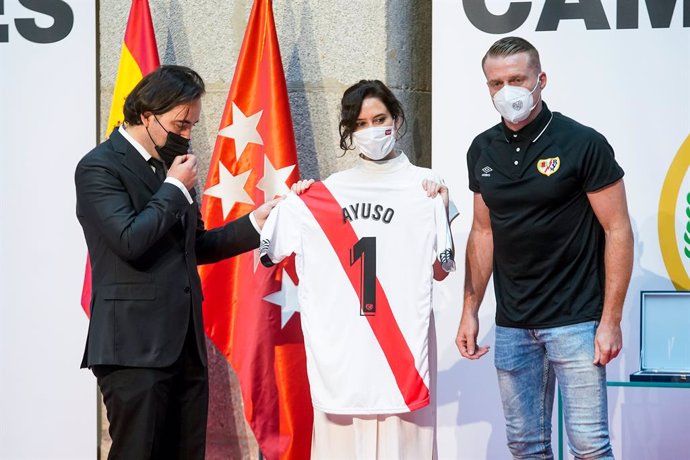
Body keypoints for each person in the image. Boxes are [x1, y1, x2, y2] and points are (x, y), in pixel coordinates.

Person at [75, 65, 277, 460]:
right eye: (179, 125)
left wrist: (256, 222)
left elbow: (195, 245)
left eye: (192, 125)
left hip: (183, 345)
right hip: (132, 348)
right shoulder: (99, 166)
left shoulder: (172, 170)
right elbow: (129, 240)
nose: (186, 135)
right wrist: (172, 188)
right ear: (147, 116)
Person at [455, 37, 633, 460]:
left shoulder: (582, 142)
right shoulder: (482, 149)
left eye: (517, 79)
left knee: (589, 448)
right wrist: (469, 310)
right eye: (496, 83)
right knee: (525, 447)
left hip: (576, 321)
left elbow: (619, 231)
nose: (507, 91)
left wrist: (610, 320)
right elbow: (483, 233)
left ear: (541, 80)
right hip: (513, 325)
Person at [261, 79, 455, 459]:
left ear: (396, 119)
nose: (371, 131)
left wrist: (442, 210)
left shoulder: (427, 187)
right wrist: (299, 200)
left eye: (379, 118)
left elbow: (440, 270)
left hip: (404, 350)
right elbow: (269, 252)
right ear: (349, 132)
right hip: (344, 355)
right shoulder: (325, 192)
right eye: (360, 124)